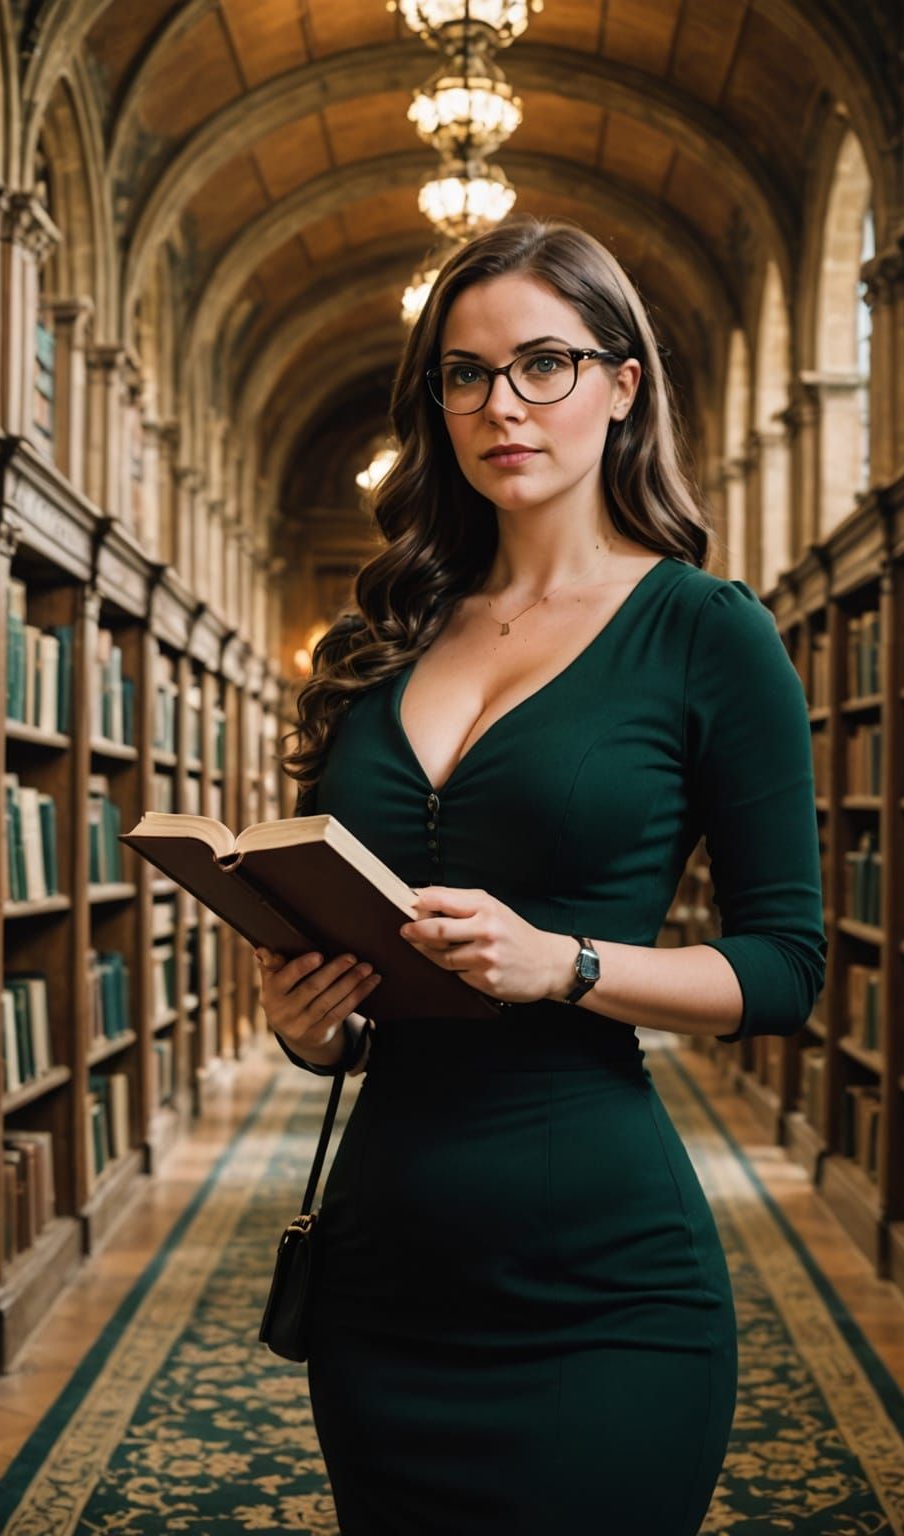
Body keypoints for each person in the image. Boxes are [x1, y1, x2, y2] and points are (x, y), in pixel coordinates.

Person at [254, 216, 826, 1535]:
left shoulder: (707, 632)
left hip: (604, 1278)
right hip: (381, 1269)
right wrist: (309, 1029)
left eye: (543, 365)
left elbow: (785, 968)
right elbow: (341, 934)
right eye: (464, 374)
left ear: (623, 387)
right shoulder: (374, 642)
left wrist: (565, 965)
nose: (500, 404)